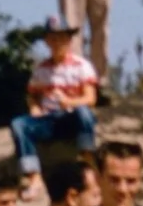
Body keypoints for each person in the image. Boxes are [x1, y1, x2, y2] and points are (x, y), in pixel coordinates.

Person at [13, 16, 100, 189]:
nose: (57, 42)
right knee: (18, 124)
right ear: (46, 41)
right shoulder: (41, 69)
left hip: (71, 118)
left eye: (61, 38)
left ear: (69, 40)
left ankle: (87, 158)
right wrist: (34, 108)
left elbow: (91, 98)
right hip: (48, 119)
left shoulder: (82, 66)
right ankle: (33, 174)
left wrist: (69, 101)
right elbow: (32, 95)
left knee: (84, 112)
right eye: (52, 38)